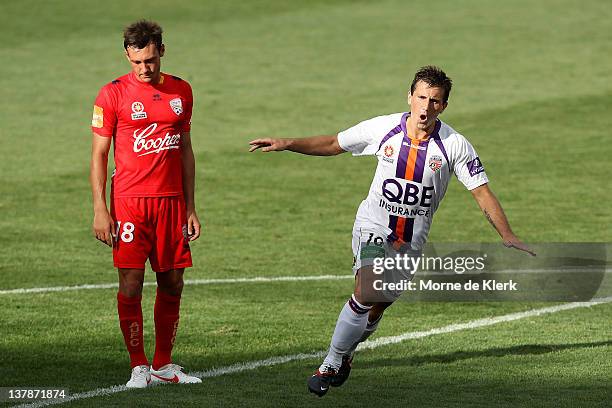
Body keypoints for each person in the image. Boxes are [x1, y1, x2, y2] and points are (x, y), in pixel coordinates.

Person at [249, 66, 535, 397]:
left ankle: (347, 351)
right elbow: (332, 143)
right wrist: (287, 143)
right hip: (372, 227)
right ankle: (331, 361)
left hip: (410, 243)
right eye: (421, 97)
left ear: (443, 106)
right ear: (410, 97)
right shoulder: (383, 128)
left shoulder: (455, 145)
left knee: (377, 306)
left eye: (435, 101)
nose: (426, 107)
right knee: (368, 290)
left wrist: (507, 233)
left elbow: (481, 191)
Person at [90, 20, 202, 388]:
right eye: (137, 62)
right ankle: (139, 366)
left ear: (161, 51)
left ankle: (164, 365)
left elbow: (185, 150)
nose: (144, 68)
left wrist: (190, 206)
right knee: (131, 283)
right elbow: (99, 155)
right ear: (127, 55)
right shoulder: (112, 94)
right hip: (129, 205)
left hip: (171, 204)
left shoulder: (181, 91)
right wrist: (100, 209)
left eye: (150, 60)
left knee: (172, 283)